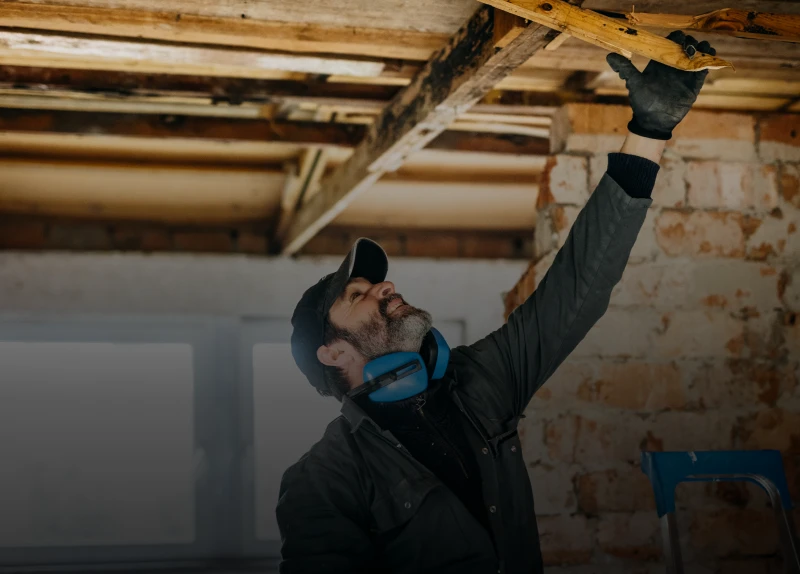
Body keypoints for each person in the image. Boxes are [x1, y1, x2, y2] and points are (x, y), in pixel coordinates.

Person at [277, 32, 715, 574]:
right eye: (358, 295)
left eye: (379, 284)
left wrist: (649, 131)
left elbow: (576, 288)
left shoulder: (480, 382)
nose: (385, 289)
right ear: (331, 354)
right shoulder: (324, 477)